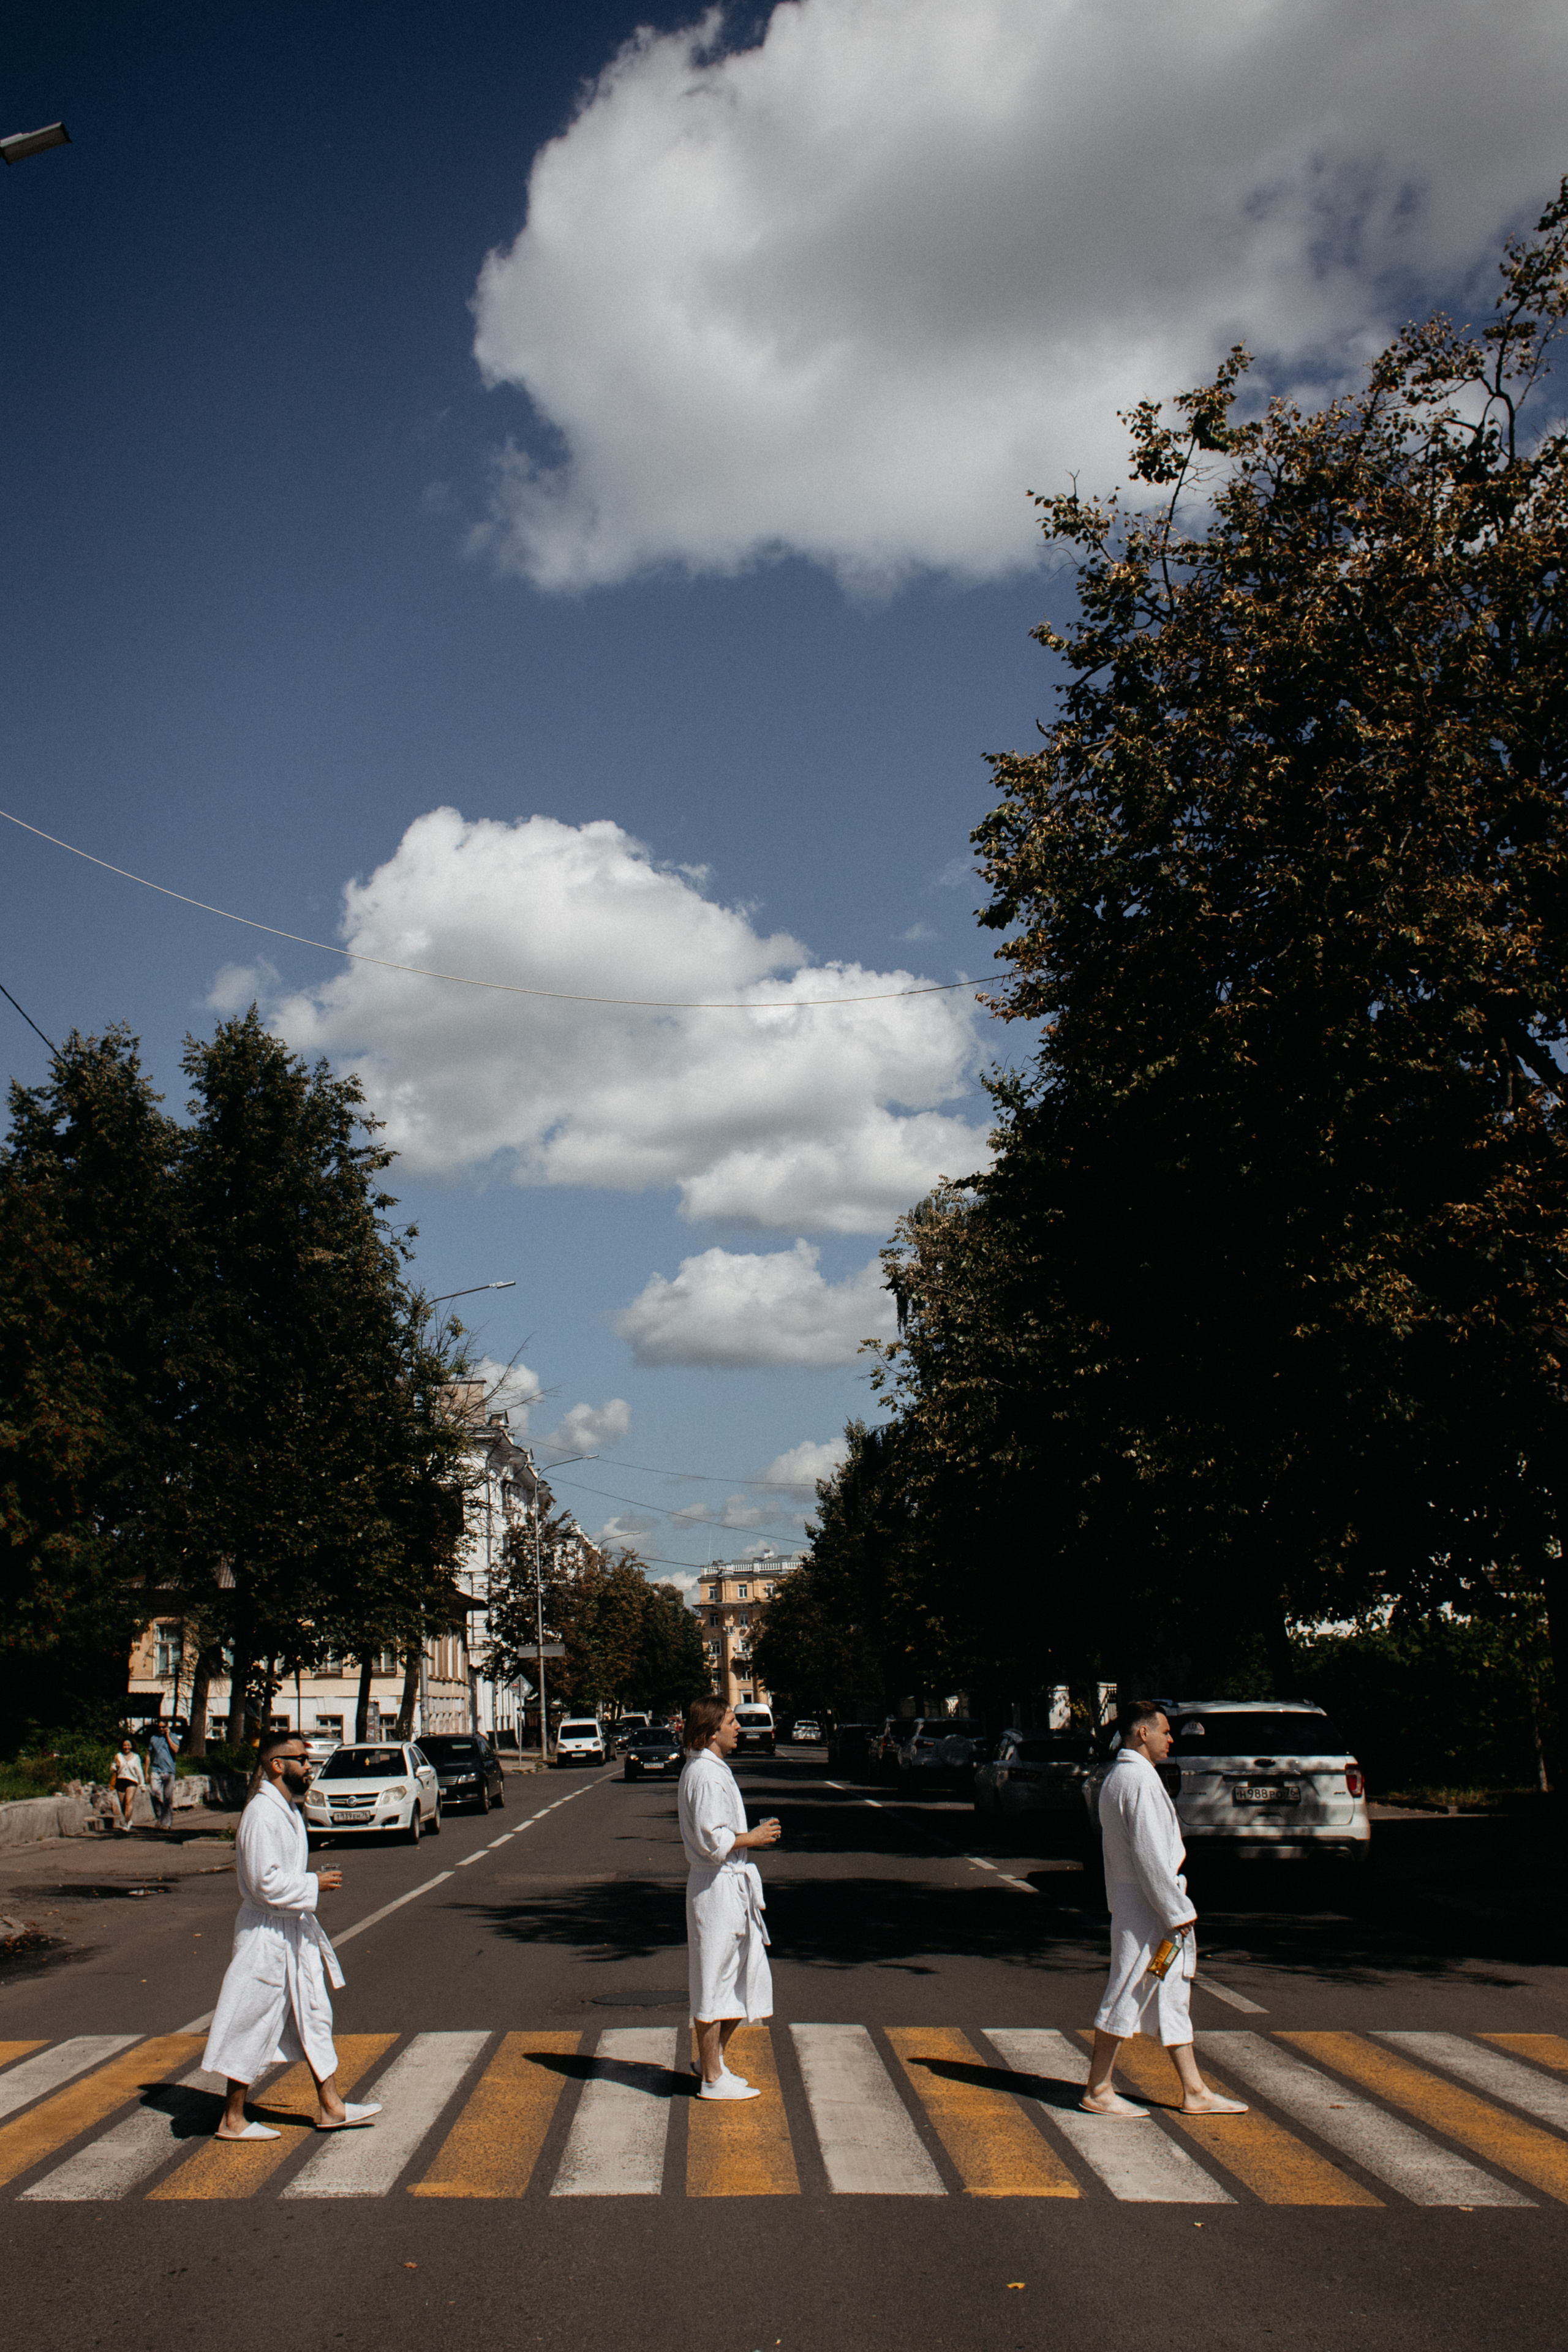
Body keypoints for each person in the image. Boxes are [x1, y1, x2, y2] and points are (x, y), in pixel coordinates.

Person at [203, 1728, 382, 2140]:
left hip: (292, 1930)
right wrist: (311, 1884)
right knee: (251, 2019)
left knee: (315, 2014)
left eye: (310, 1759)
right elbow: (264, 1882)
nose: (309, 1766)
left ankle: (332, 2107)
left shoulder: (287, 1809)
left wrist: (307, 1887)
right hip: (266, 1935)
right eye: (302, 1759)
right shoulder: (261, 1814)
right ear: (276, 1765)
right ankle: (232, 2119)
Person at [1082, 1698, 1247, 2119]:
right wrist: (1178, 1914)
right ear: (1143, 1733)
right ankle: (1098, 2089)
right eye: (1165, 1731)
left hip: (1151, 1912)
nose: (1171, 1739)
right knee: (1128, 1990)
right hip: (1150, 1915)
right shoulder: (1137, 1781)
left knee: (1166, 1989)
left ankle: (1194, 2091)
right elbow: (1151, 1857)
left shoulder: (1125, 1776)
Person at [679, 1695, 782, 2100]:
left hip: (730, 1884)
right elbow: (710, 1838)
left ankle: (712, 2063)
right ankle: (710, 2079)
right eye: (730, 1721)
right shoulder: (704, 1774)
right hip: (716, 1887)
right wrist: (751, 1838)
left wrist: (747, 1839)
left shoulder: (712, 1768)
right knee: (714, 1980)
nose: (738, 1727)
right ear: (710, 1731)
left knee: (745, 1977)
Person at [147, 1719, 179, 1832]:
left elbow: (175, 1750)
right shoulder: (153, 1738)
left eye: (163, 1727)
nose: (161, 1729)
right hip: (156, 1769)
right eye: (159, 1727)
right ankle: (160, 1815)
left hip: (169, 1771)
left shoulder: (174, 1737)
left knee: (168, 1798)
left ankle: (166, 1823)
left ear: (167, 1727)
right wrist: (146, 1770)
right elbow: (149, 1754)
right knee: (154, 1793)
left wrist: (168, 1736)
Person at [112, 1733, 146, 1833]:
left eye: (128, 1745)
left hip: (132, 1781)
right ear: (122, 1746)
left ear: (132, 1746)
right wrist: (114, 1767)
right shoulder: (118, 1756)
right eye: (125, 1745)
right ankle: (129, 1819)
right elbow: (113, 1766)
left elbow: (139, 1772)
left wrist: (142, 1785)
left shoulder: (136, 1757)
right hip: (120, 1780)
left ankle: (127, 1824)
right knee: (123, 1804)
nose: (126, 1747)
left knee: (129, 1803)